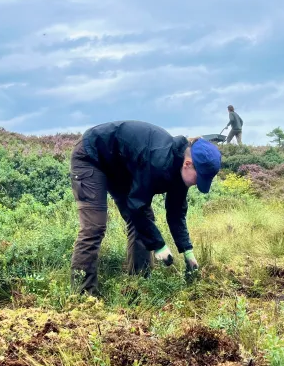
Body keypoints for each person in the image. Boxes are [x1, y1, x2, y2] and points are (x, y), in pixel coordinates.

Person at [70, 120, 221, 296]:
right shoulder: (158, 162)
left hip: (120, 167)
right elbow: (136, 207)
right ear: (188, 163)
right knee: (94, 226)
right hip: (92, 156)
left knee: (143, 221)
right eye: (199, 178)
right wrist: (159, 246)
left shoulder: (180, 169)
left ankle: (139, 284)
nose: (197, 184)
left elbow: (175, 212)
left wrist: (187, 251)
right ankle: (83, 296)